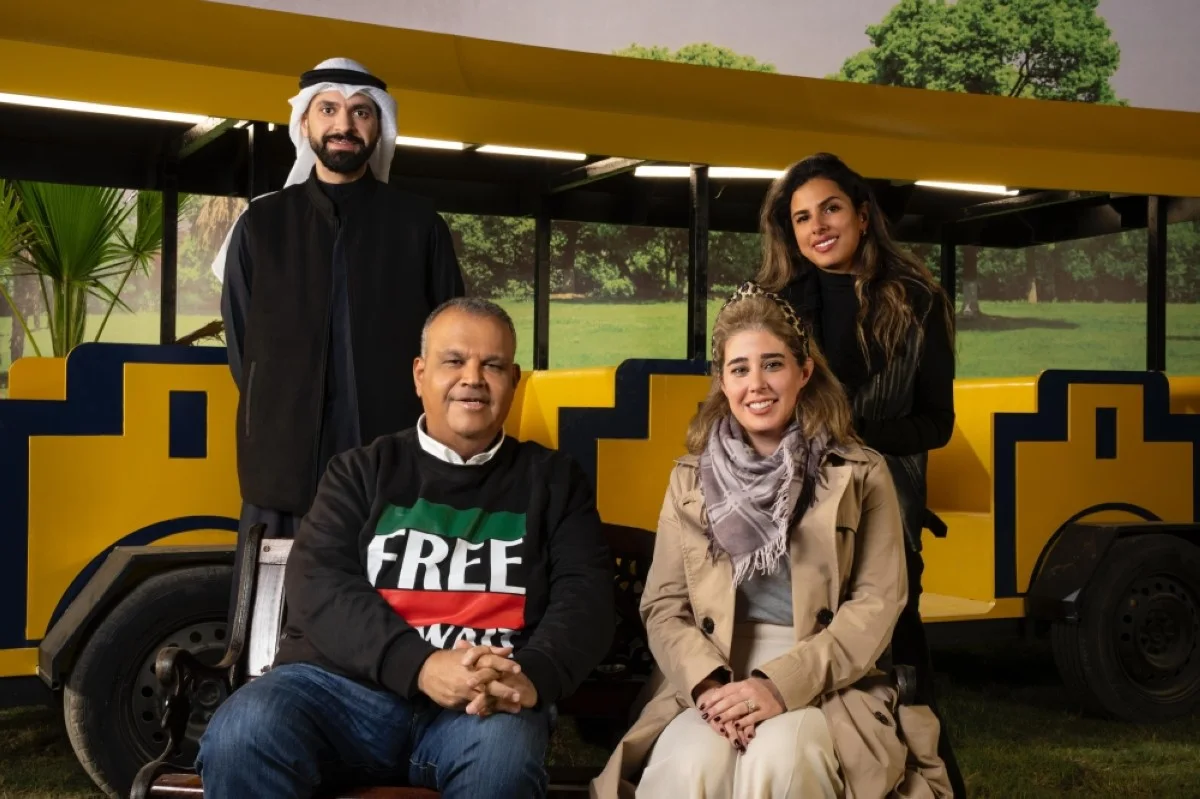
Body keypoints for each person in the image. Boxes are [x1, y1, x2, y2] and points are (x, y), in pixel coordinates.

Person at [196, 297, 615, 798]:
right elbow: (320, 582)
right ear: (420, 375)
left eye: (494, 365)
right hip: (341, 693)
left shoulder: (553, 482)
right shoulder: (359, 471)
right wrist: (419, 666)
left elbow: (585, 596)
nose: (474, 378)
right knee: (243, 735)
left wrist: (536, 675)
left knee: (501, 766)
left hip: (484, 705)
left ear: (514, 381)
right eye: (454, 361)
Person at [592, 283, 951, 799]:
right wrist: (709, 687)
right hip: (711, 666)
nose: (756, 384)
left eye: (773, 364)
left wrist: (780, 686)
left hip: (825, 669)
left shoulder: (862, 472)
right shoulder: (690, 480)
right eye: (739, 368)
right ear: (721, 381)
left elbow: (878, 602)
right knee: (689, 766)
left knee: (781, 763)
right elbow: (664, 607)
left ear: (804, 372)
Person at [756, 152, 966, 796]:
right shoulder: (775, 306)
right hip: (790, 511)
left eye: (830, 208)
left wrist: (855, 438)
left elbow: (936, 423)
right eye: (801, 218)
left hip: (886, 510)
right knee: (809, 654)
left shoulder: (920, 302)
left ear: (863, 214)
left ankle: (932, 784)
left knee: (901, 661)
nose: (817, 226)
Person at [214, 56, 466, 555]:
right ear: (305, 122)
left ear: (379, 128)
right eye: (328, 109)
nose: (343, 125)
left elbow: (452, 343)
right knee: (281, 623)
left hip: (396, 474)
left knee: (391, 621)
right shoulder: (261, 225)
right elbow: (245, 349)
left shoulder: (418, 226)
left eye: (361, 113)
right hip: (281, 476)